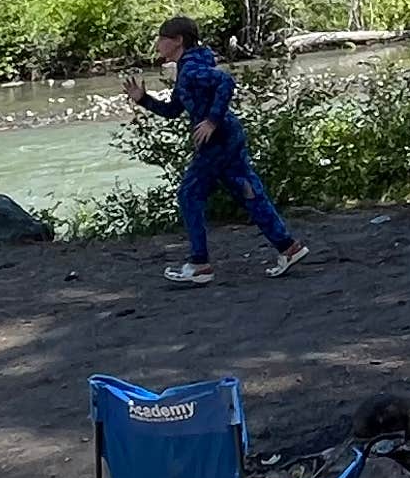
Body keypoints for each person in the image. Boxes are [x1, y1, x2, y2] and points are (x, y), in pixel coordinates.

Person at [132, 16, 308, 286]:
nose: (157, 43)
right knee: (248, 192)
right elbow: (174, 111)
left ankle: (200, 264)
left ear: (177, 41)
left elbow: (225, 82)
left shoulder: (191, 69)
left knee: (190, 195)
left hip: (217, 141)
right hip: (228, 137)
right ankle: (288, 247)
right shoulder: (189, 66)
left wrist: (212, 121)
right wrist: (143, 99)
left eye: (161, 37)